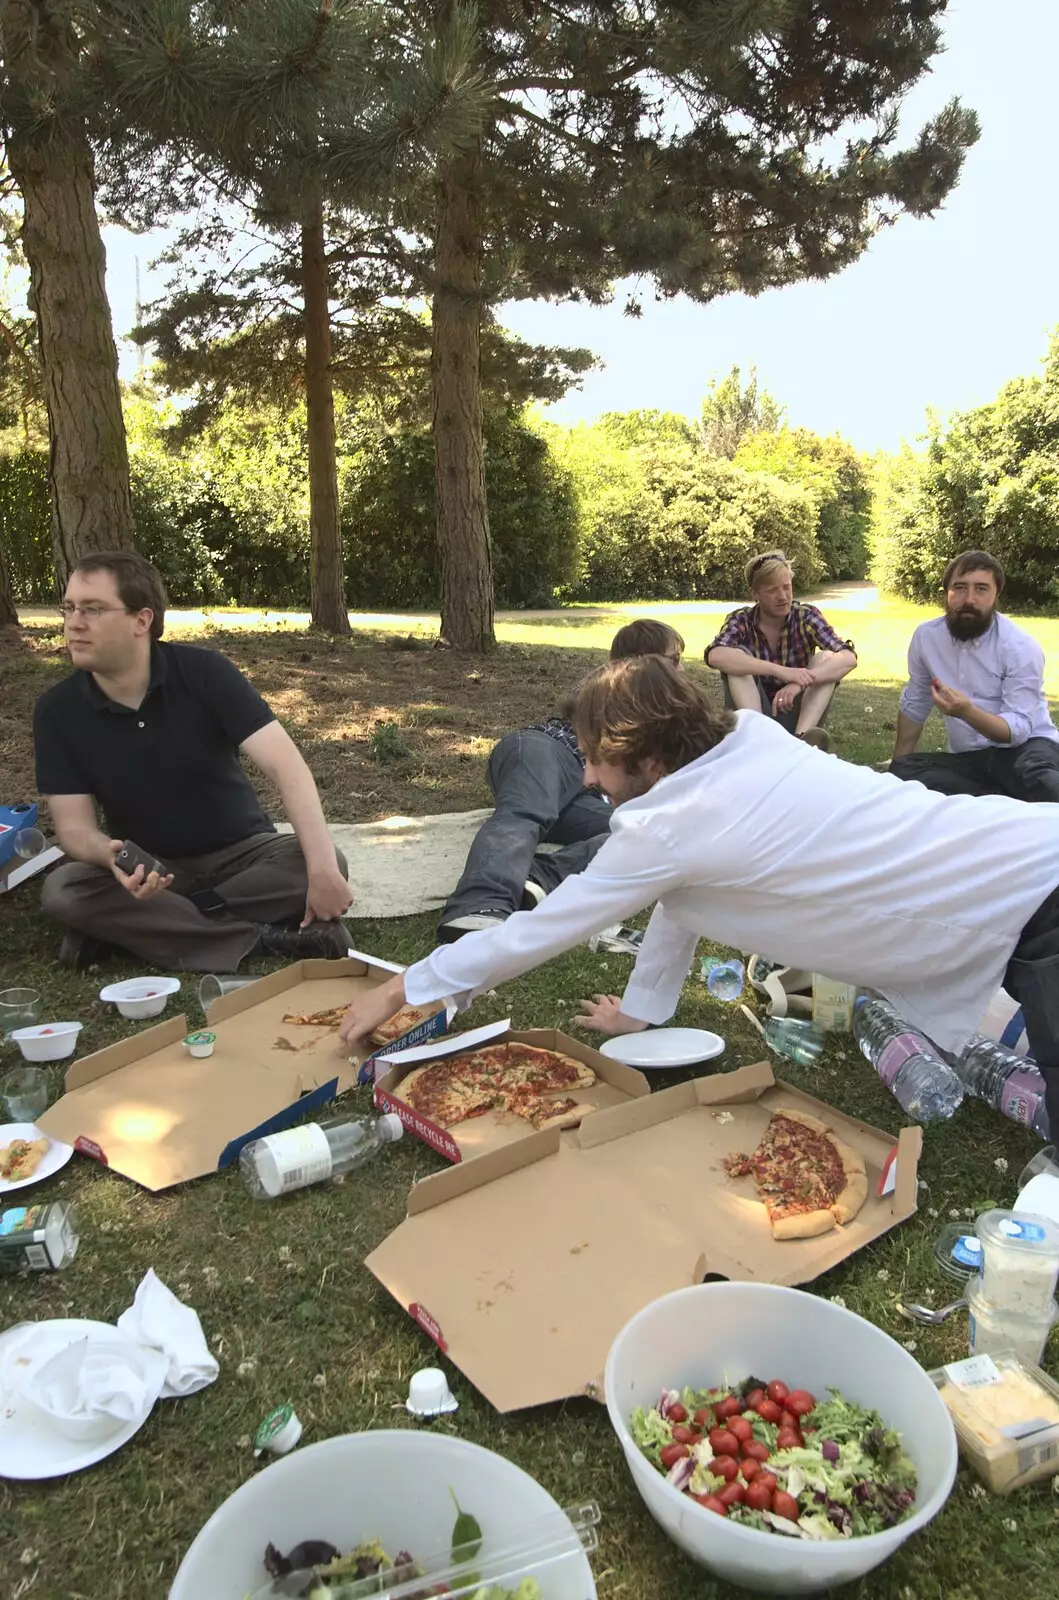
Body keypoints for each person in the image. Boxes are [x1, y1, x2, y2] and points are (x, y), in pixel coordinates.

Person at [340, 655, 1059, 1138]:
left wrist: (406, 985)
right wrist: (640, 1012)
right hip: (1028, 859)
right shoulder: (746, 738)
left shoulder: (669, 828)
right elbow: (685, 898)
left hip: (1035, 900)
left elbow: (537, 930)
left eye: (596, 758)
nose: (587, 777)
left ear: (648, 758)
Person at [34, 551, 353, 972]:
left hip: (244, 856)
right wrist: (109, 856)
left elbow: (287, 767)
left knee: (319, 860)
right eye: (70, 607)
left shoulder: (205, 673)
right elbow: (74, 828)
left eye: (92, 609)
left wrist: (324, 869)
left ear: (141, 621)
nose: (74, 623)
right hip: (150, 868)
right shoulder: (56, 711)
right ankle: (263, 939)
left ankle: (140, 933)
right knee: (65, 889)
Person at [436, 618, 685, 942]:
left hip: (588, 795)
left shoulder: (666, 708)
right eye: (674, 661)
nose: (681, 672)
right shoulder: (610, 687)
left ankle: (541, 881)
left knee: (645, 833)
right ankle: (479, 906)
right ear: (642, 662)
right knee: (525, 814)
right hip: (548, 751)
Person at [889, 549, 1059, 802]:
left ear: (996, 594)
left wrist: (966, 712)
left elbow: (1018, 731)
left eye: (981, 589)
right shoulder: (927, 637)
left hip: (1028, 749)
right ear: (946, 592)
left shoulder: (1019, 646)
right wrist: (895, 775)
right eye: (959, 588)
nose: (969, 599)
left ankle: (990, 804)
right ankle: (1005, 801)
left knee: (1037, 778)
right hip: (970, 758)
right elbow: (916, 702)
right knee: (904, 770)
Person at [704, 550, 857, 751]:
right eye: (772, 591)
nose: (783, 596)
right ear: (755, 594)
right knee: (737, 658)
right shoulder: (741, 619)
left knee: (827, 657)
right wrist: (781, 671)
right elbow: (715, 655)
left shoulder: (805, 615)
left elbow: (848, 658)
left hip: (798, 710)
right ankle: (759, 738)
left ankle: (802, 743)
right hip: (756, 711)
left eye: (787, 587)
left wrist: (799, 683)